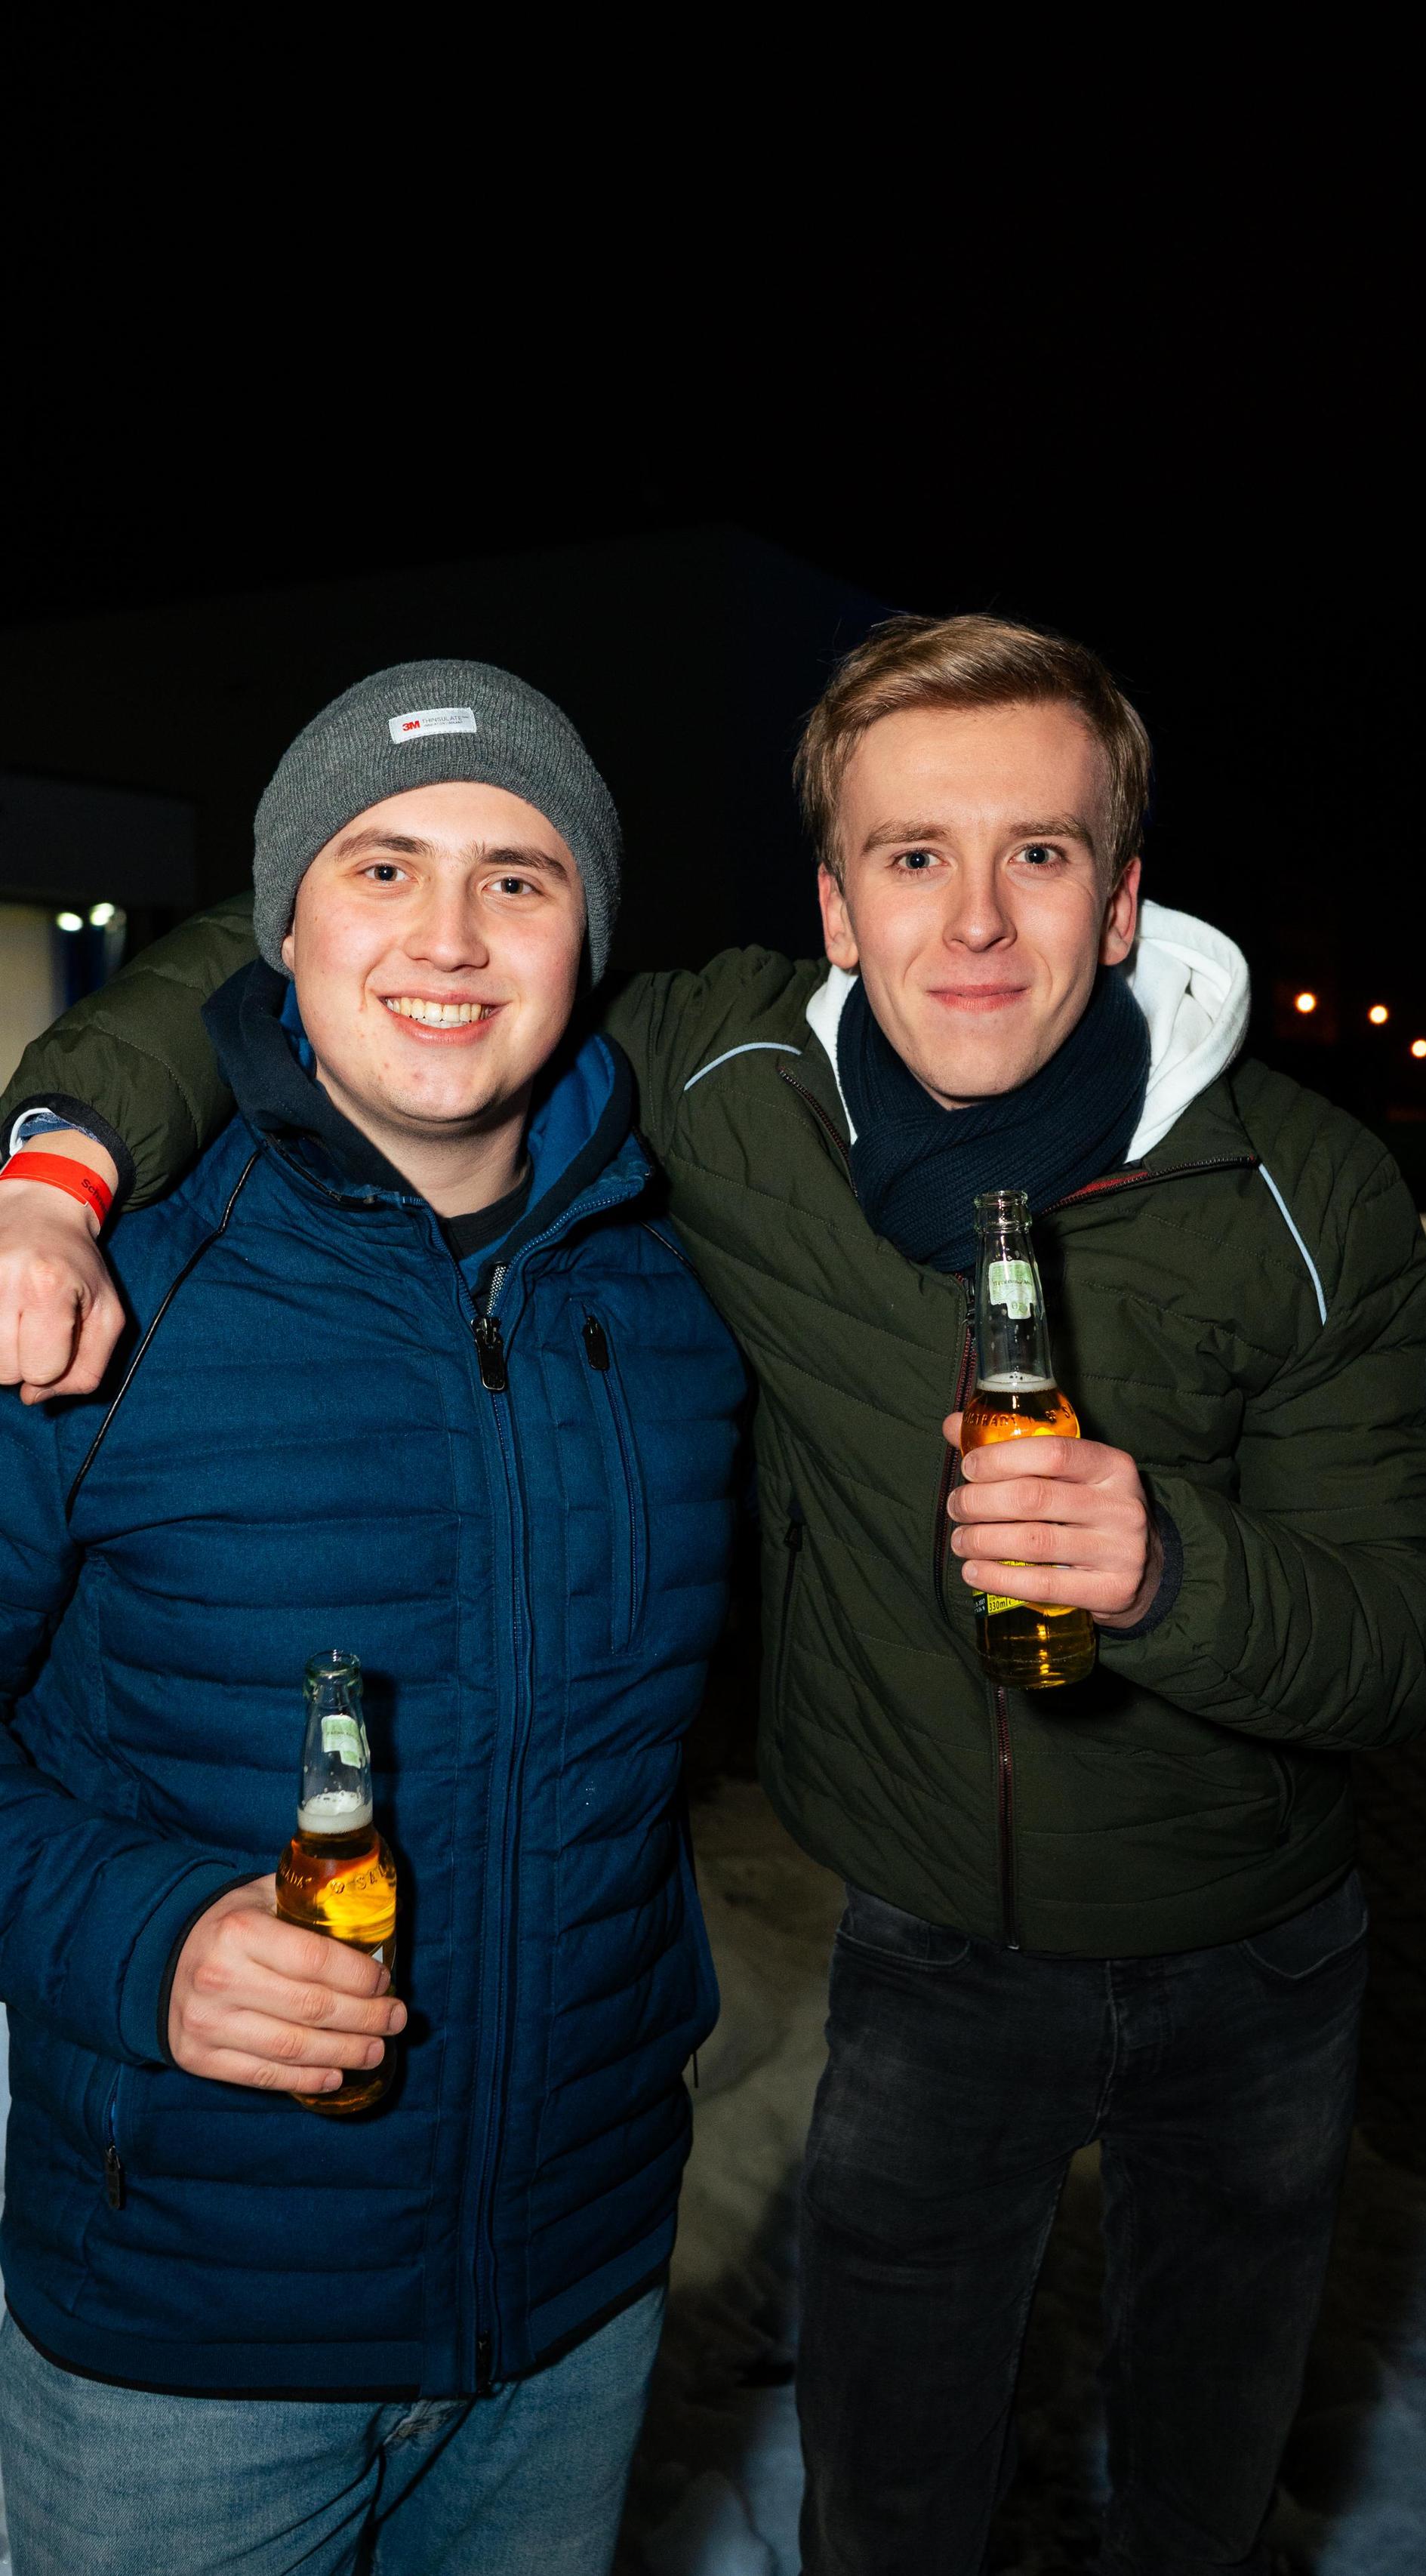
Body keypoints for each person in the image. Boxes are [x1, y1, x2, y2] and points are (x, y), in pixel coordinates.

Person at [5, 615, 1426, 2576]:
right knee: (894, 2490)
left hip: (1099, 2035)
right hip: (270, 2282)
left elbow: (1396, 1628)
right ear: (838, 904)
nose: (975, 921)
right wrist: (57, 1162)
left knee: (1198, 2484)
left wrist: (1174, 1567)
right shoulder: (110, 1295)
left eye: (1037, 853)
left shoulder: (1258, 1190)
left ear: (1123, 899)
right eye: (911, 854)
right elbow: (273, 971)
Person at [0, 659, 745, 2576]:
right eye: (381, 863)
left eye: (520, 875)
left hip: (574, 2310)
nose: (449, 934)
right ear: (284, 921)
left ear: (589, 929)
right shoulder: (87, 1297)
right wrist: (147, 1938)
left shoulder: (676, 1299)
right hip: (186, 2345)